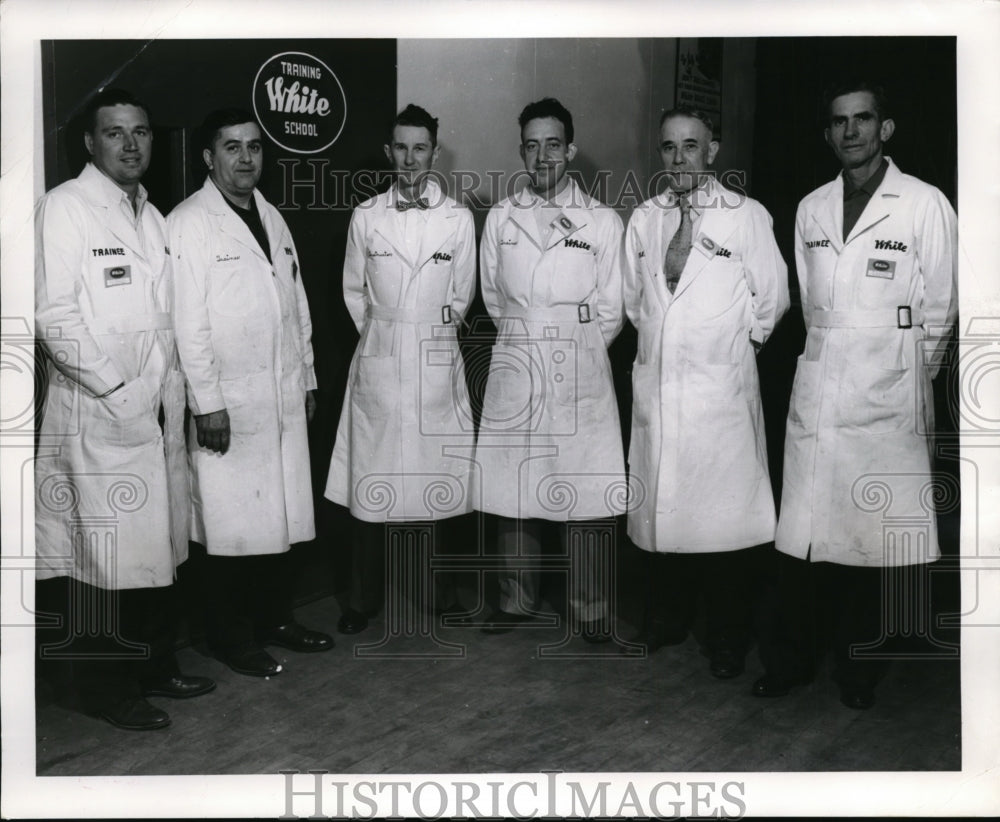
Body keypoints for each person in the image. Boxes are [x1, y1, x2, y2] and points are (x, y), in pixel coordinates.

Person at [758, 81, 958, 709]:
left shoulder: (923, 203)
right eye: (840, 121)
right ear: (828, 134)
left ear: (885, 128)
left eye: (863, 119)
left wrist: (909, 374)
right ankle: (790, 662)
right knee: (805, 535)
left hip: (888, 385)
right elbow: (812, 301)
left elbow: (942, 304)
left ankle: (858, 670)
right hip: (821, 384)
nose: (851, 131)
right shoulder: (811, 207)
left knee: (873, 538)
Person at [34, 88, 214, 731]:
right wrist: (116, 391)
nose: (131, 144)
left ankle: (154, 666)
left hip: (154, 408)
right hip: (98, 410)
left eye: (140, 132)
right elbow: (54, 316)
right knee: (100, 558)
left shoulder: (154, 217)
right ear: (90, 142)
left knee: (154, 549)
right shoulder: (65, 207)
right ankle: (107, 690)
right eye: (115, 133)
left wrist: (163, 394)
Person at [623, 107, 789, 677]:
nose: (679, 158)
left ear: (712, 151)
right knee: (665, 513)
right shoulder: (645, 218)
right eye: (669, 147)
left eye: (690, 146)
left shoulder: (746, 215)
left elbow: (773, 300)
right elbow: (635, 301)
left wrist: (735, 351)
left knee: (722, 524)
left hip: (719, 394)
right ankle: (668, 620)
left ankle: (727, 637)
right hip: (661, 386)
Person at [168, 109, 333, 677]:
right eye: (232, 147)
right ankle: (229, 638)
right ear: (208, 157)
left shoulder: (271, 216)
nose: (245, 158)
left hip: (279, 396)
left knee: (277, 520)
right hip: (228, 405)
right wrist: (207, 402)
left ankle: (274, 620)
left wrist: (306, 378)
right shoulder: (189, 223)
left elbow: (297, 306)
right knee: (229, 527)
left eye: (254, 147)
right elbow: (187, 324)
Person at [476, 97, 626, 641]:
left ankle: (590, 606)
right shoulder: (501, 217)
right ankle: (515, 600)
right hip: (517, 358)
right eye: (532, 145)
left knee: (583, 486)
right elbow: (494, 297)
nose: (543, 156)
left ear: (571, 150)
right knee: (514, 484)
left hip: (578, 361)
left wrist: (574, 347)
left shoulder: (602, 220)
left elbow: (612, 308)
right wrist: (529, 335)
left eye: (553, 144)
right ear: (521, 151)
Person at [325, 104, 476, 634]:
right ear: (389, 152)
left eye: (421, 148)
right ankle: (361, 600)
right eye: (402, 148)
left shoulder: (458, 219)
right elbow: (353, 292)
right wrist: (385, 336)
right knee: (372, 480)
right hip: (381, 359)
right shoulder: (367, 215)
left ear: (434, 153)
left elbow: (462, 296)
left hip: (435, 359)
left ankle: (440, 593)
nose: (410, 159)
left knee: (437, 478)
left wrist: (425, 334)